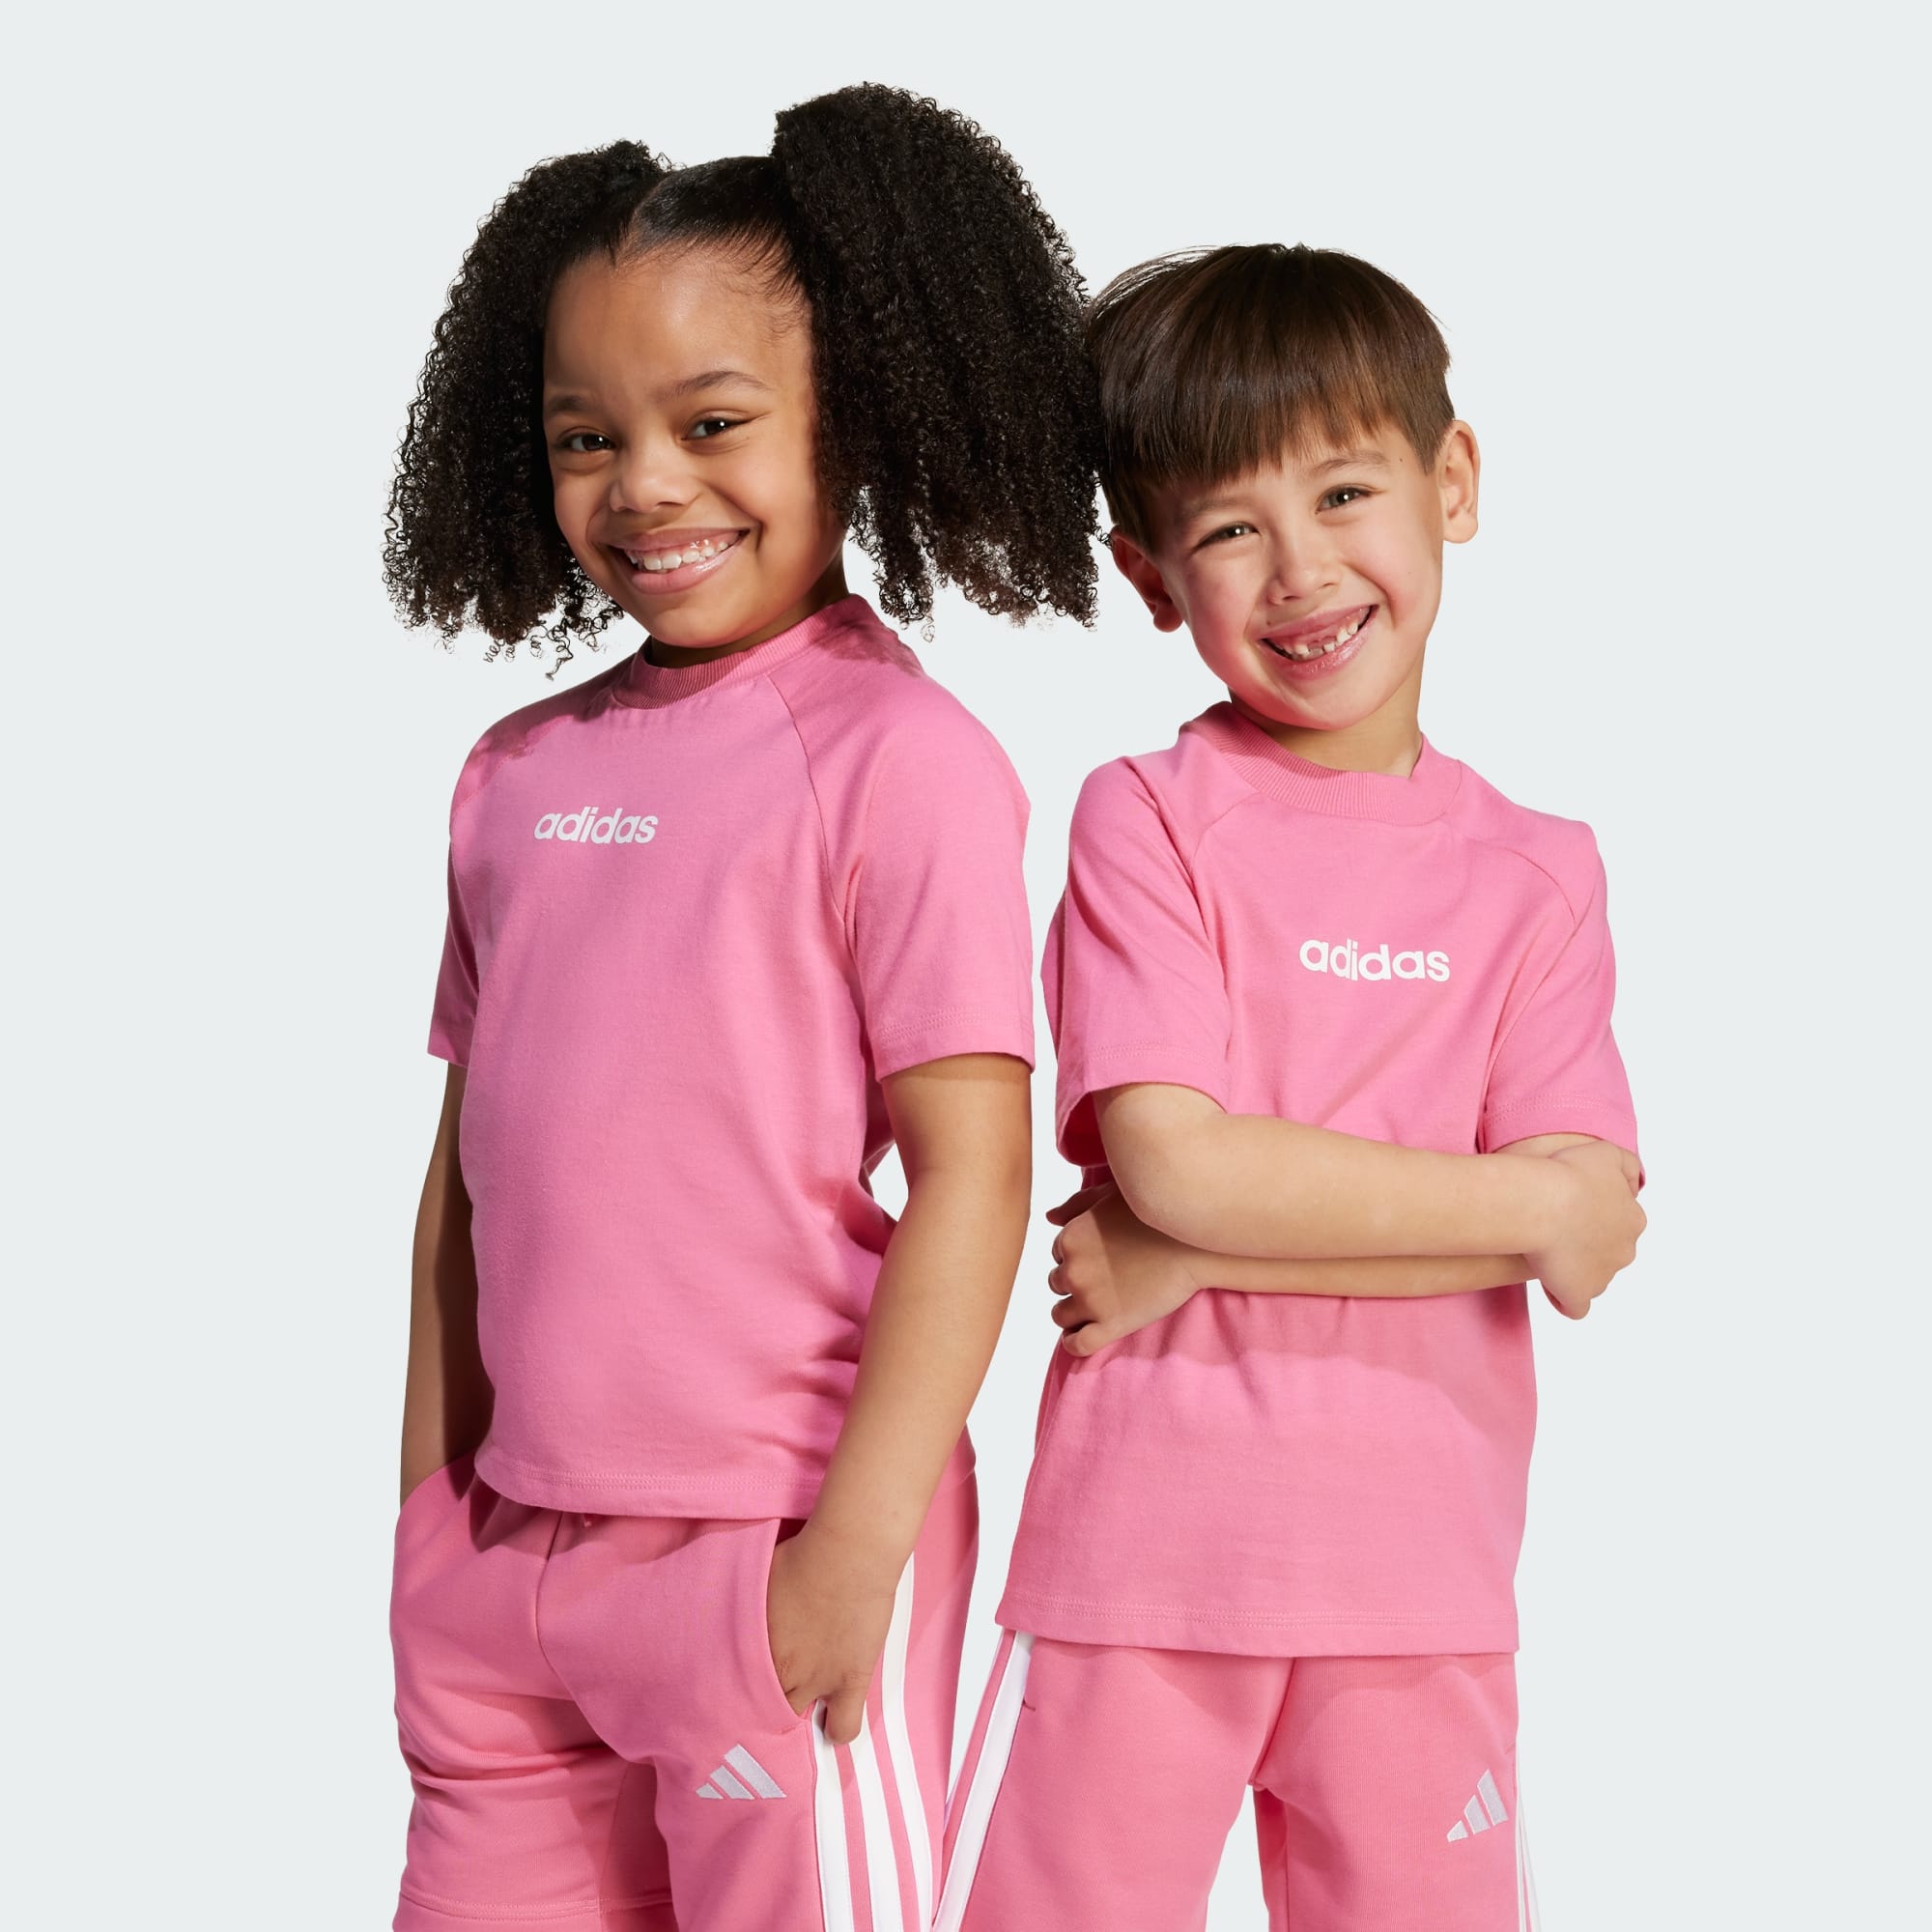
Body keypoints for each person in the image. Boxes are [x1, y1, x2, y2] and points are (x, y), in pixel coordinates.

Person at [381, 85, 1098, 1932]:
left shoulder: (898, 759)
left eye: (712, 424)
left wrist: (851, 1554)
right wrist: (426, 1515)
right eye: (586, 436)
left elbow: (972, 1175)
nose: (645, 486)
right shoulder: (512, 774)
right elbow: (466, 1178)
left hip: (773, 1552)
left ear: (852, 417)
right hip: (503, 1573)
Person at [939, 244, 1645, 1932]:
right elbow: (1178, 1162)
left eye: (1342, 492)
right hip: (1133, 1581)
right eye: (1230, 529)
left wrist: (1193, 1258)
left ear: (1450, 480)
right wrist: (1509, 1203)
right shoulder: (1148, 817)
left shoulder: (1541, 875)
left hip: (1424, 1594)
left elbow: (1591, 1239)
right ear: (1150, 574)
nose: (1302, 570)